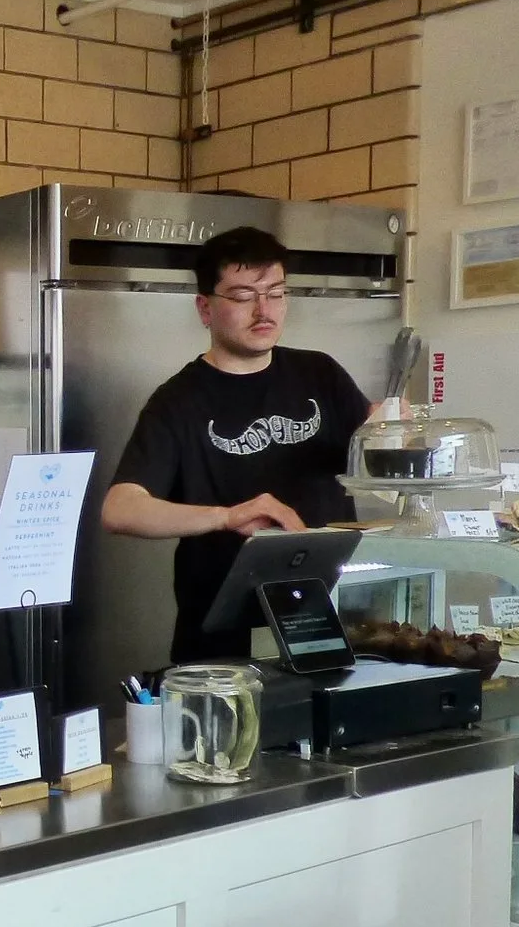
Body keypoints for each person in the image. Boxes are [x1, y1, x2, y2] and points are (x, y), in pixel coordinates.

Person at [100, 226, 371, 664]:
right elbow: (121, 508)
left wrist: (394, 431)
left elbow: (373, 456)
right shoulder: (178, 401)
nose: (265, 311)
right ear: (205, 308)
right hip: (222, 645)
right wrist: (226, 516)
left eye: (277, 293)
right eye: (244, 296)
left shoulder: (321, 374)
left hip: (322, 625)